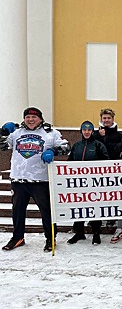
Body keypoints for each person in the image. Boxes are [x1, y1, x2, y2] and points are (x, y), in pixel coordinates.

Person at [1, 107, 70, 252]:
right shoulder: (16, 133)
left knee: (46, 211)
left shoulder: (50, 132)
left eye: (34, 117)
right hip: (19, 179)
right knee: (18, 211)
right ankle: (17, 237)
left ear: (40, 119)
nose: (30, 120)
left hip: (41, 180)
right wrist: (2, 133)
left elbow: (66, 146)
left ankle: (51, 238)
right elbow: (2, 146)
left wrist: (53, 150)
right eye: (27, 117)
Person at [67, 121, 109, 245]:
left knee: (94, 207)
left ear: (92, 131)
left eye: (89, 130)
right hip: (78, 183)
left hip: (94, 183)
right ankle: (79, 232)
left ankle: (96, 233)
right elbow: (69, 162)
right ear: (81, 131)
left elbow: (106, 161)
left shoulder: (98, 145)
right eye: (84, 130)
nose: (86, 132)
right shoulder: (77, 146)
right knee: (79, 207)